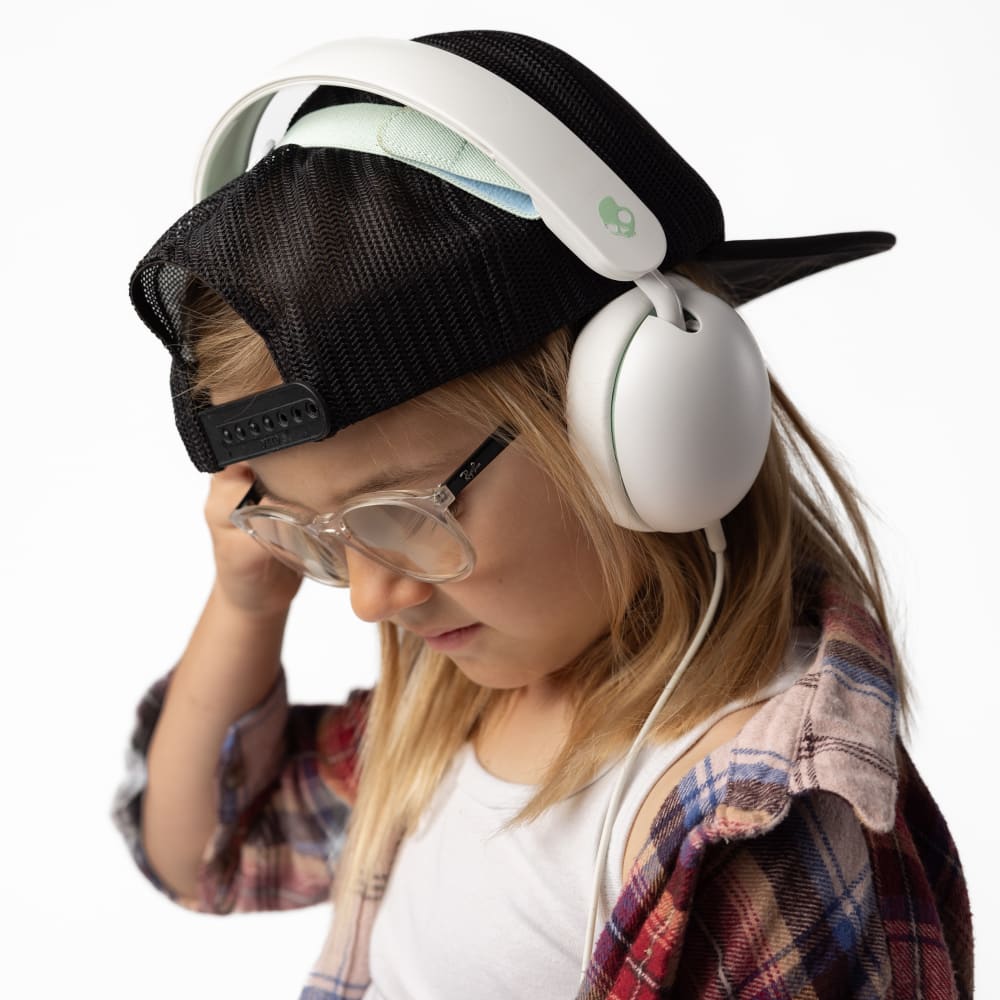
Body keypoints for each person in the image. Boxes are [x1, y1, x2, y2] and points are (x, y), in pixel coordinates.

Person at [112, 28, 973, 1000]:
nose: (367, 597)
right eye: (321, 536)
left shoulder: (757, 819)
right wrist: (248, 600)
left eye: (399, 511)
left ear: (644, 427)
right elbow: (202, 851)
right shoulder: (447, 708)